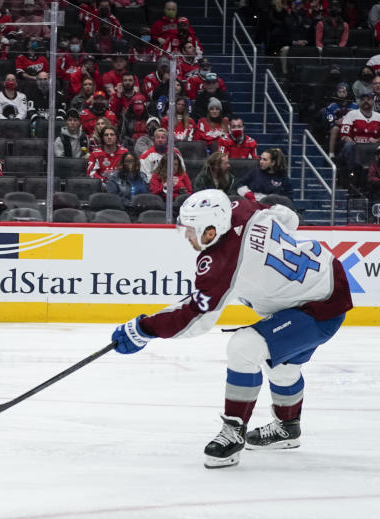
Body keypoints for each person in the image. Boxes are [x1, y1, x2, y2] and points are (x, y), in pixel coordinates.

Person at [111, 189, 352, 468]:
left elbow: (195, 317)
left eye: (191, 231)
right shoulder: (241, 208)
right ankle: (288, 428)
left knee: (244, 346)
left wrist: (143, 329)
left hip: (318, 309)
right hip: (326, 281)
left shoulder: (221, 263)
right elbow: (287, 217)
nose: (187, 237)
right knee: (283, 366)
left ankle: (233, 431)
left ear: (212, 230)